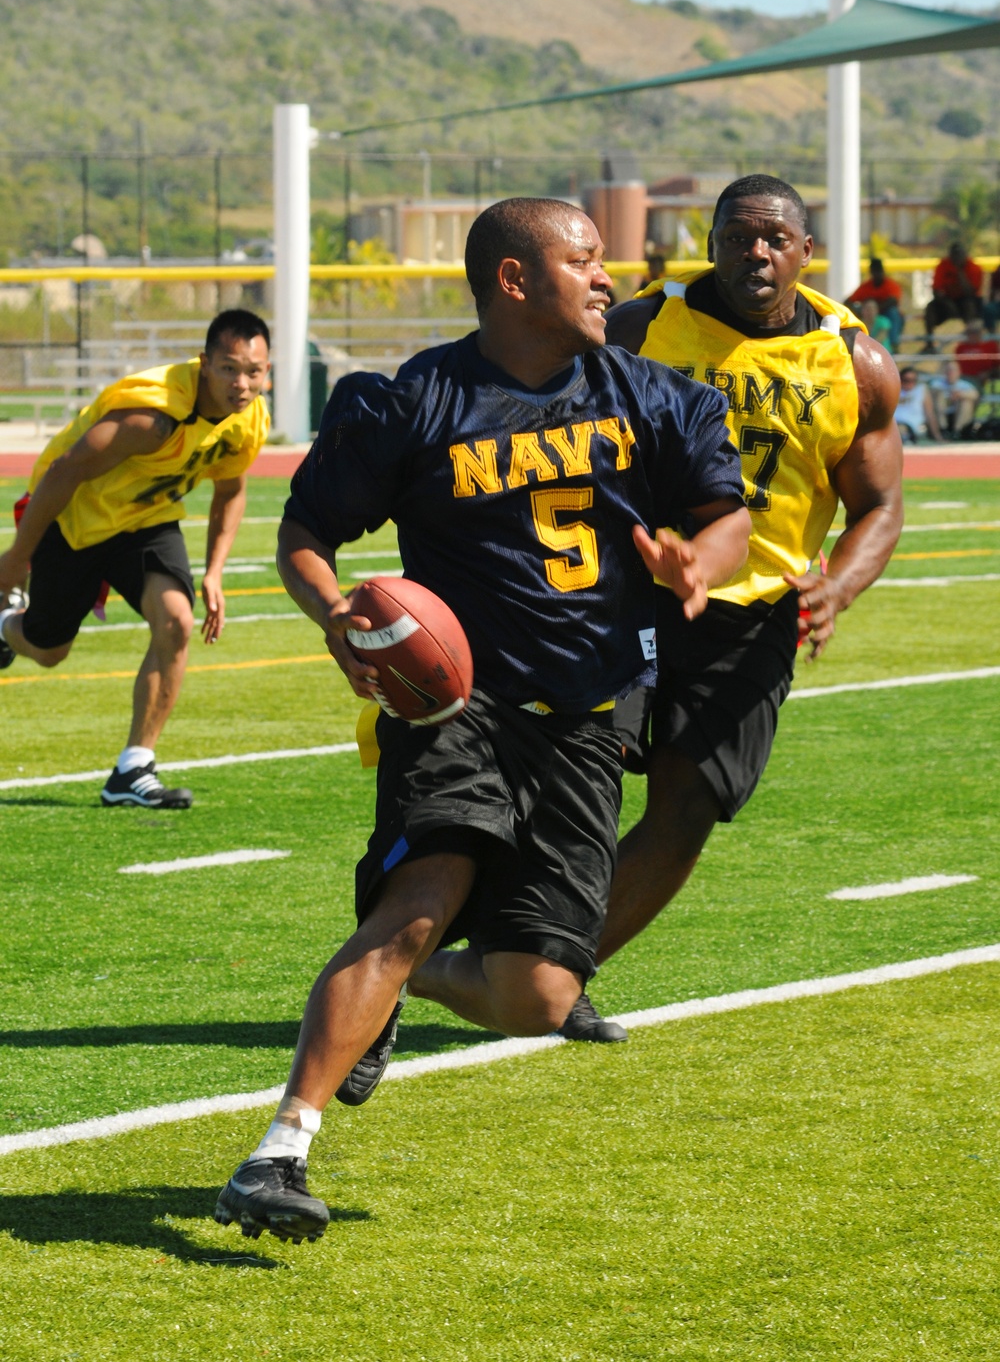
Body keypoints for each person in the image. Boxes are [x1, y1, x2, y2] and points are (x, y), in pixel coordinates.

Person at [214, 198, 750, 1242]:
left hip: (586, 717)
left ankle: (413, 983)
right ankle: (279, 1150)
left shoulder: (653, 398)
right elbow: (305, 532)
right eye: (584, 260)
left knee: (541, 995)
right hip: (457, 705)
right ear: (513, 279)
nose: (607, 278)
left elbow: (724, 517)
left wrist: (700, 564)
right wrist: (334, 614)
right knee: (419, 898)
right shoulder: (416, 400)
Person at [556, 173, 903, 1041]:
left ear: (805, 252)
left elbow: (879, 504)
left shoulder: (851, 359)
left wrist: (839, 584)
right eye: (739, 236)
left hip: (751, 613)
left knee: (689, 803)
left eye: (775, 239)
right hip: (630, 590)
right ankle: (492, 946)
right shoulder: (641, 326)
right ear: (710, 241)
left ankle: (558, 971)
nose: (757, 253)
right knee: (582, 774)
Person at [0, 310, 271, 808]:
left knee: (176, 622)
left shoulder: (248, 420)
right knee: (47, 649)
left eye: (254, 371)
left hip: (145, 521)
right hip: (76, 521)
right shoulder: (150, 418)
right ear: (204, 364)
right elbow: (63, 472)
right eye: (230, 368)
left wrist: (214, 572)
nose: (242, 383)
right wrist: (18, 557)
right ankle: (3, 625)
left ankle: (133, 768)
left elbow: (231, 490)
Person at [923, 241, 984, 346]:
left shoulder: (974, 267)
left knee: (970, 305)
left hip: (966, 300)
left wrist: (960, 271)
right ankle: (930, 343)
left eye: (959, 255)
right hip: (947, 301)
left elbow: (970, 292)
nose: (957, 258)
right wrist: (947, 303)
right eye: (954, 255)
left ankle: (972, 342)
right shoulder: (943, 265)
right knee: (930, 308)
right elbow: (936, 290)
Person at [847, 257, 904, 348]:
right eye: (874, 271)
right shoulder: (866, 287)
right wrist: (861, 311)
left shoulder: (891, 285)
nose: (877, 274)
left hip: (886, 314)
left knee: (893, 313)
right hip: (868, 319)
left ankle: (894, 344)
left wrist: (875, 309)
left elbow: (893, 301)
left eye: (878, 271)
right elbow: (848, 302)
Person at [930, 356, 979, 436]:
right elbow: (931, 392)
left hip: (959, 415)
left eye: (953, 370)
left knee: (966, 402)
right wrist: (946, 395)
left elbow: (975, 395)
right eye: (948, 370)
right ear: (944, 372)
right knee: (939, 396)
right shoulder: (937, 383)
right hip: (942, 415)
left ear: (959, 372)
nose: (951, 372)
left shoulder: (965, 385)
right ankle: (943, 430)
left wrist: (960, 394)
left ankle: (957, 432)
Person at [895, 365, 943, 444]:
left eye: (913, 380)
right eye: (906, 380)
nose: (910, 383)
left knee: (900, 429)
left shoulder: (921, 390)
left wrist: (937, 436)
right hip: (894, 423)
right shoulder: (896, 390)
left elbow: (929, 413)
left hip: (911, 426)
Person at [954, 318, 1000, 387]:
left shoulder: (991, 345)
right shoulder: (961, 348)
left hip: (986, 380)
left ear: (981, 332)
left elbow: (997, 366)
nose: (972, 335)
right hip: (965, 379)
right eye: (969, 332)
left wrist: (988, 373)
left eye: (975, 332)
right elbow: (956, 366)